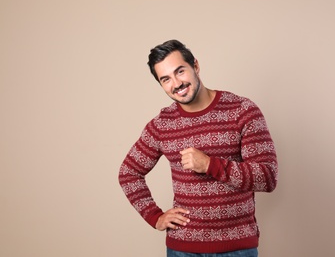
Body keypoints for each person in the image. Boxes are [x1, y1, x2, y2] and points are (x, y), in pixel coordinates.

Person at [118, 39, 278, 257]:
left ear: (195, 65)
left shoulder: (242, 110)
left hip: (236, 249)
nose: (176, 83)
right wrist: (155, 217)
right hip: (182, 250)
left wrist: (210, 165)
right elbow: (129, 173)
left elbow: (267, 178)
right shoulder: (162, 124)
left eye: (180, 71)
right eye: (166, 79)